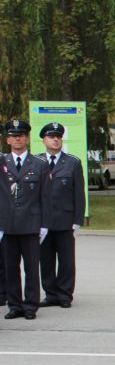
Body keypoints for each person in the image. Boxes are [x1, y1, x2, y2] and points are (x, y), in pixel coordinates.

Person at [0, 118, 49, 320]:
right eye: (13, 135)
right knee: (11, 268)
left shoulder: (39, 164)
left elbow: (45, 197)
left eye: (21, 135)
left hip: (31, 224)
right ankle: (15, 305)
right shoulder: (2, 162)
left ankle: (30, 306)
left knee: (31, 267)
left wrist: (45, 224)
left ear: (27, 139)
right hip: (8, 224)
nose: (17, 138)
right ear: (8, 140)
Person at [37, 122, 85, 308]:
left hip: (65, 220)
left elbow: (78, 194)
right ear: (44, 140)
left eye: (58, 136)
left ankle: (65, 294)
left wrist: (77, 220)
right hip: (43, 221)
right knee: (45, 260)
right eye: (51, 137)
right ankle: (50, 294)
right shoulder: (37, 161)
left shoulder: (72, 162)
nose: (55, 140)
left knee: (66, 261)